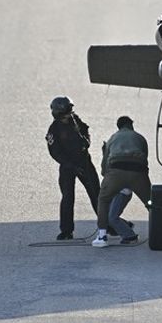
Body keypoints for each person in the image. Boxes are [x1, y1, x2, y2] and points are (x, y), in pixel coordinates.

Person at [45, 96, 100, 240]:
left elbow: (86, 136)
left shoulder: (76, 120)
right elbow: (54, 152)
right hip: (68, 167)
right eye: (66, 114)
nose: (69, 115)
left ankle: (109, 224)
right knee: (68, 197)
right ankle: (66, 230)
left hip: (84, 163)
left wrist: (84, 139)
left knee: (97, 194)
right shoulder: (54, 129)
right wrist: (70, 165)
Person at [92, 116, 152, 248]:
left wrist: (111, 181)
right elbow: (145, 160)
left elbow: (104, 167)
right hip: (138, 174)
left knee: (103, 200)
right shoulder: (140, 138)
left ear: (118, 126)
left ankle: (102, 236)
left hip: (116, 173)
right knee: (152, 204)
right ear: (131, 125)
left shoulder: (112, 139)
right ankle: (161, 233)